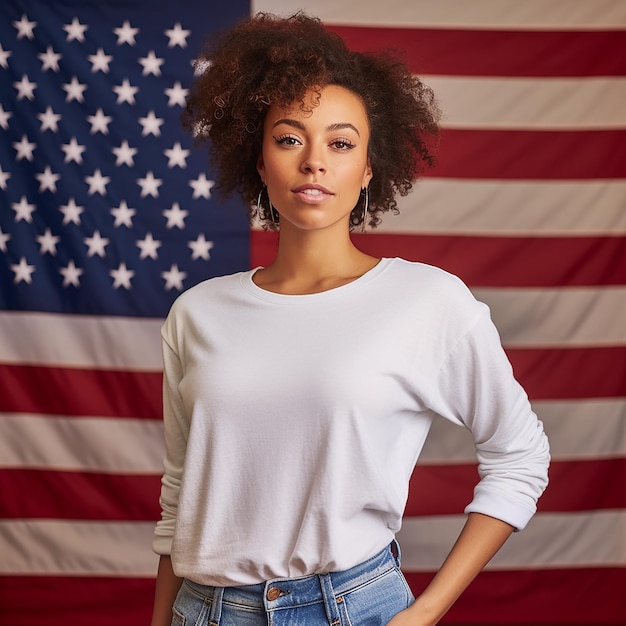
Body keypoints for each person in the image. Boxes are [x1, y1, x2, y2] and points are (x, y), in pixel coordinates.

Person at [150, 12, 550, 626]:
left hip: (352, 610)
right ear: (259, 161)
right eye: (289, 138)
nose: (314, 162)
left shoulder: (428, 300)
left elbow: (520, 455)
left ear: (367, 171)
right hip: (204, 611)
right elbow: (182, 496)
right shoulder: (196, 312)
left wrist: (427, 611)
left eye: (340, 143)